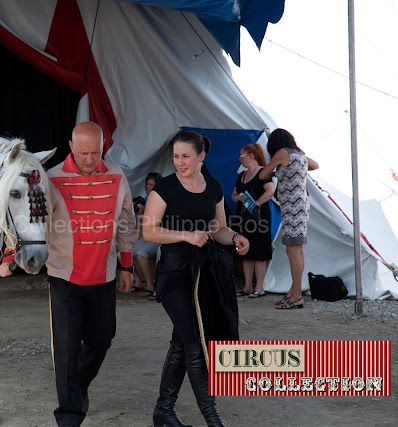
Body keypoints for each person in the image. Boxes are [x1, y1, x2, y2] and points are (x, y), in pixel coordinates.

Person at [143, 130, 249, 427]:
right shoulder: (164, 188)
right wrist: (186, 236)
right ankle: (213, 419)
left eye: (185, 156)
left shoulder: (213, 186)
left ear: (201, 156)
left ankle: (164, 410)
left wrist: (236, 237)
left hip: (204, 275)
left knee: (181, 340)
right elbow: (149, 231)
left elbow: (219, 228)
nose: (179, 162)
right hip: (173, 275)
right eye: (176, 156)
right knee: (194, 342)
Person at [45, 121, 138, 426]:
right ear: (71, 147)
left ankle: (77, 387)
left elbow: (126, 223)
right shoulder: (51, 179)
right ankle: (69, 414)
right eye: (83, 152)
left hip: (104, 275)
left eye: (95, 153)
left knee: (101, 340)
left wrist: (127, 266)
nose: (89, 159)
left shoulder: (115, 175)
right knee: (67, 348)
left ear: (103, 148)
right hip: (64, 277)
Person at [259, 128, 319, 309]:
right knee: (296, 251)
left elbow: (263, 174)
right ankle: (294, 292)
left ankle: (297, 296)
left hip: (292, 207)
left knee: (293, 252)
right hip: (300, 205)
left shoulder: (282, 154)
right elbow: (315, 164)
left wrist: (275, 169)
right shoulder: (299, 154)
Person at [231, 144, 275, 298]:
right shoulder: (242, 175)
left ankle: (260, 287)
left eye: (241, 156)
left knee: (259, 251)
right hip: (244, 217)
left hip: (259, 216)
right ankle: (247, 286)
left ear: (250, 156)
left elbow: (270, 190)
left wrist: (256, 203)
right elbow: (233, 195)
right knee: (245, 249)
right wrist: (238, 197)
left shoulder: (263, 172)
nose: (239, 159)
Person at [131, 172, 162, 299]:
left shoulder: (161, 199)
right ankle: (138, 282)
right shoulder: (145, 199)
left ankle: (150, 286)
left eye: (152, 185)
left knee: (140, 254)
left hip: (159, 236)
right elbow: (139, 223)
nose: (149, 187)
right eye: (148, 185)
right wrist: (137, 211)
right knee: (123, 253)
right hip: (147, 236)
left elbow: (155, 221)